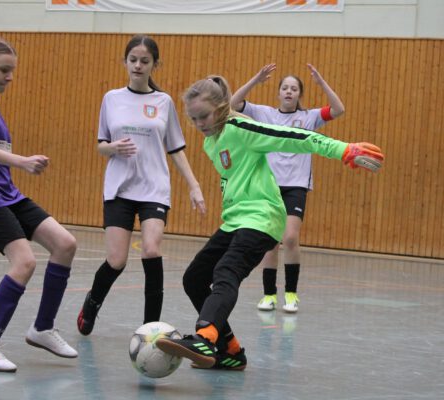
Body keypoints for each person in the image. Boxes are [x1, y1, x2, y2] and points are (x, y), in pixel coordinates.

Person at [156, 75, 383, 370]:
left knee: (226, 270)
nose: (199, 124)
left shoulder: (241, 128)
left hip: (263, 216)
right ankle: (230, 351)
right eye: (194, 119)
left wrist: (341, 149)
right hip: (236, 219)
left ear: (221, 108)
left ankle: (205, 336)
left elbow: (290, 136)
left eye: (204, 116)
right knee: (194, 278)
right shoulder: (211, 143)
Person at [0, 37, 78, 372]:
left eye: (12, 70)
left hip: (8, 194)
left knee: (65, 244)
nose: (10, 77)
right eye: (4, 69)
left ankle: (43, 328)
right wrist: (21, 161)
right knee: (24, 262)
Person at [77, 35, 206, 336]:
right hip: (119, 188)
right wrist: (112, 148)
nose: (138, 65)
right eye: (133, 60)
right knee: (116, 260)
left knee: (151, 249)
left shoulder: (164, 102)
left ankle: (151, 329)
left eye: (144, 61)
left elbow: (176, 148)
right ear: (125, 62)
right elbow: (100, 145)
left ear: (154, 65)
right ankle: (92, 302)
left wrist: (194, 185)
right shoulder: (111, 98)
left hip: (154, 188)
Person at [231, 63, 345, 313]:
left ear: (299, 94)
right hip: (269, 187)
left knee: (290, 238)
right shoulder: (264, 114)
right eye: (285, 88)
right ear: (279, 92)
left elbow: (338, 109)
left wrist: (322, 83)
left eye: (294, 88)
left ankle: (291, 294)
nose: (289, 92)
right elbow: (233, 103)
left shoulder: (310, 117)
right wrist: (255, 79)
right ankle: (269, 294)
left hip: (296, 186)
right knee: (270, 242)